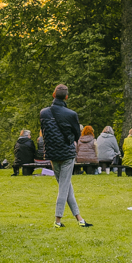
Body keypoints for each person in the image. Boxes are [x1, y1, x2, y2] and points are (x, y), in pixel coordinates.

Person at [39, 84, 91, 228]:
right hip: (67, 153)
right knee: (64, 187)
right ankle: (57, 220)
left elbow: (44, 131)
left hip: (52, 153)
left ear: (53, 94)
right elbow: (77, 135)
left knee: (65, 186)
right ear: (67, 97)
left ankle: (80, 219)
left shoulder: (43, 113)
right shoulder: (71, 114)